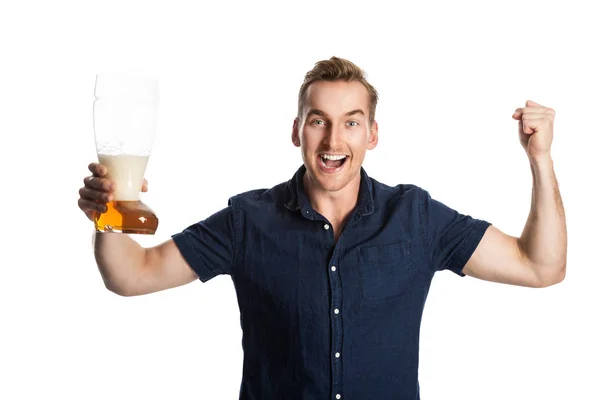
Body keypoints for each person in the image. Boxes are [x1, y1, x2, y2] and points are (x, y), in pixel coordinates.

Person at [78, 56, 567, 400]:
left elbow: (541, 265)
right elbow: (132, 275)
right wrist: (109, 210)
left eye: (351, 123)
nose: (334, 140)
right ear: (297, 131)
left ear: (372, 134)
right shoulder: (248, 221)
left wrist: (540, 159)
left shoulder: (417, 218)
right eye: (319, 121)